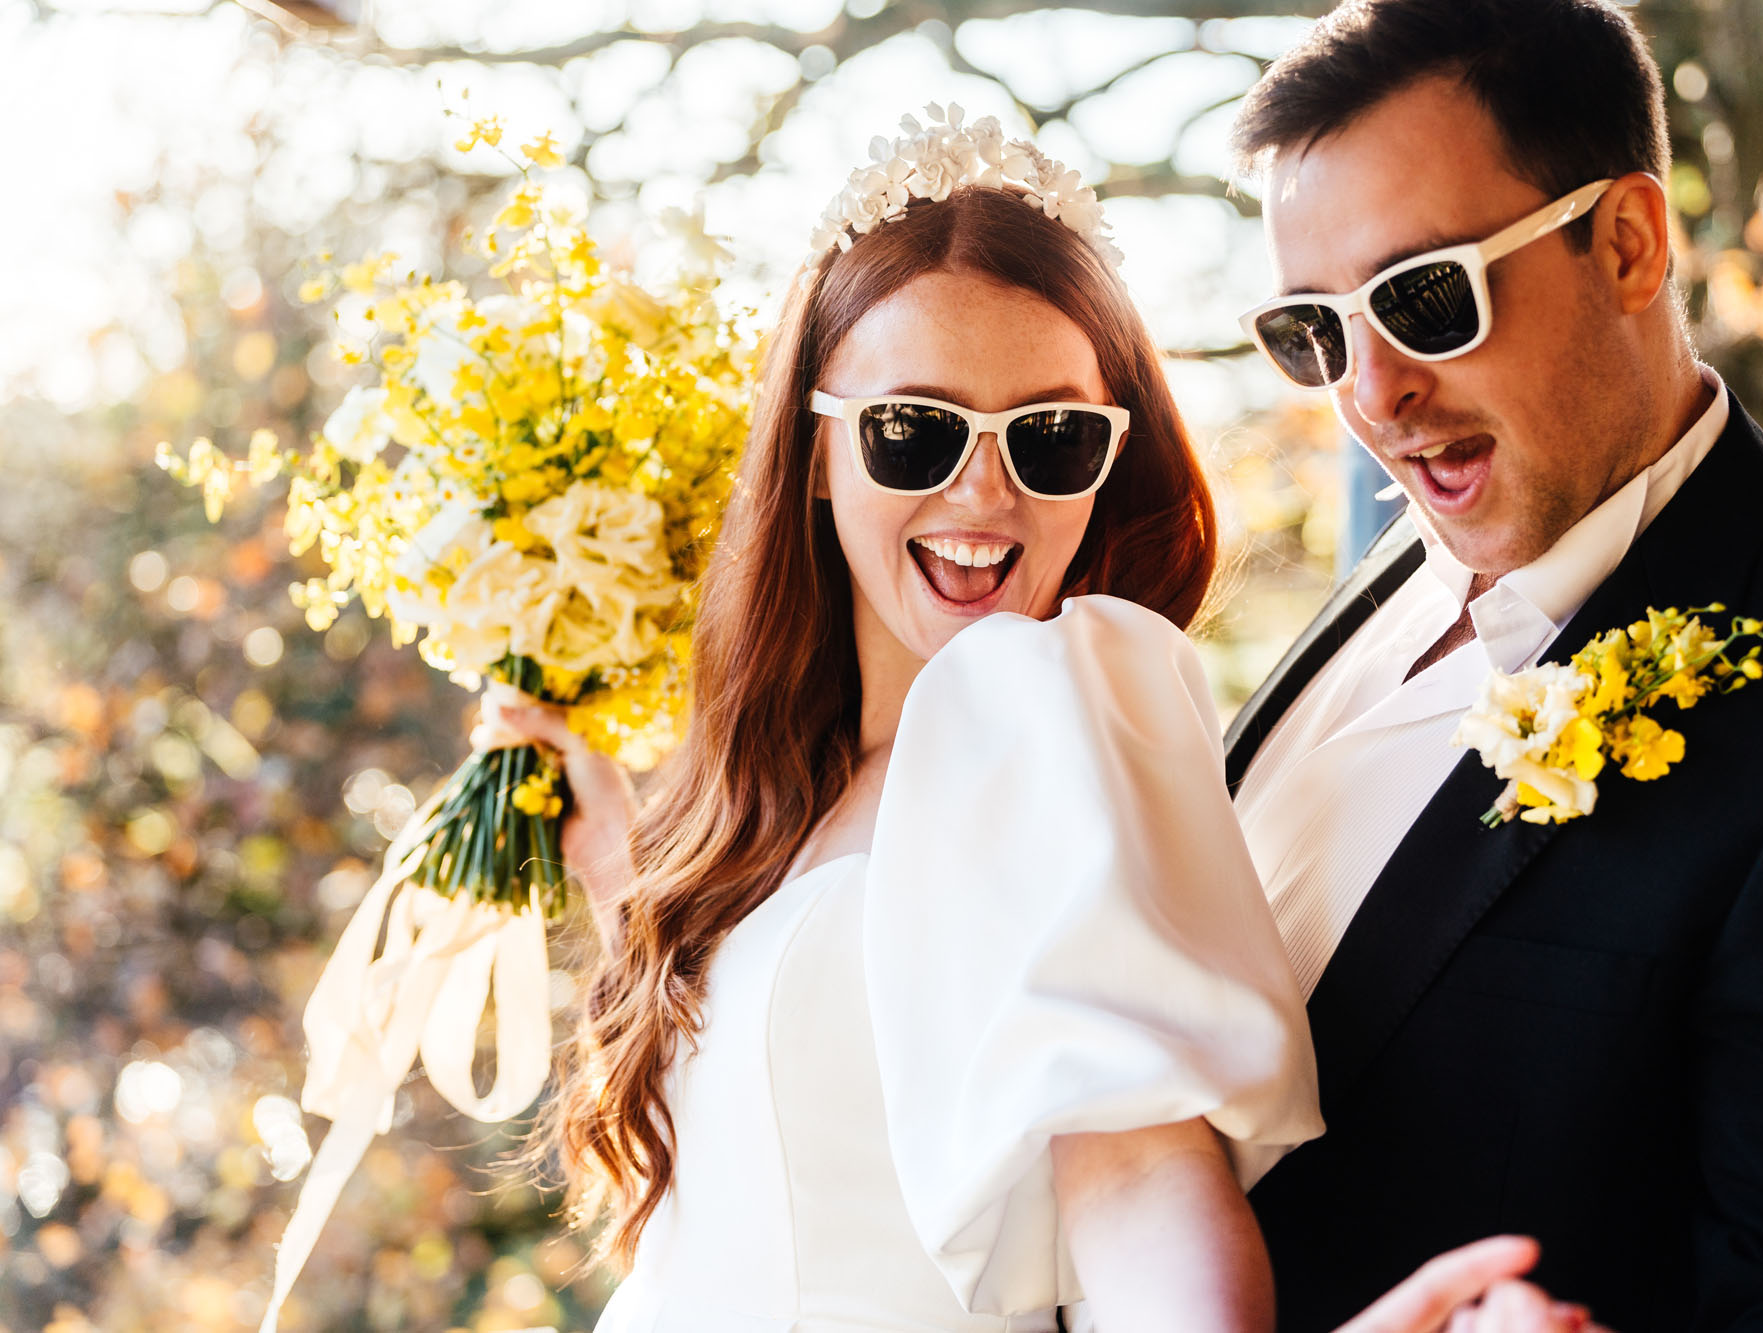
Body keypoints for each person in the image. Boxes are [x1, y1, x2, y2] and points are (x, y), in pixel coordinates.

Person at [478, 111, 1603, 1333]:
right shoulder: (766, 788)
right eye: (913, 431)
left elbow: (1134, 1175)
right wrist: (618, 865)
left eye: (1051, 438)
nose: (983, 491)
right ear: (813, 452)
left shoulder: (1048, 713)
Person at [1224, 1, 1763, 1329]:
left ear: (1628, 242)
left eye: (1424, 298)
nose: (1372, 393)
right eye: (1316, 330)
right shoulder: (1401, 568)